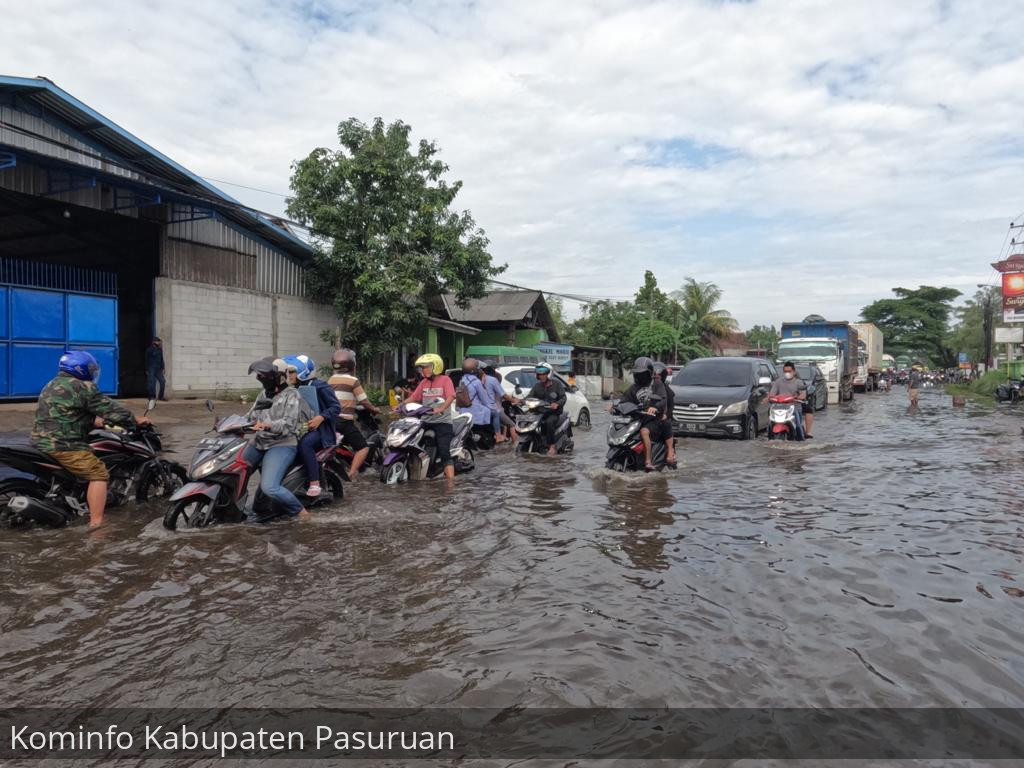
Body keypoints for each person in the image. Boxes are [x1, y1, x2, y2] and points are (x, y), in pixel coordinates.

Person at [31, 350, 148, 528]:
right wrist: (135, 420)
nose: (92, 373)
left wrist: (94, 422)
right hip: (64, 445)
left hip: (40, 441)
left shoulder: (52, 384)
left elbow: (65, 412)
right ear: (80, 368)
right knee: (99, 473)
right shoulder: (82, 386)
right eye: (90, 368)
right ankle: (97, 524)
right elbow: (109, 408)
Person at [245, 357, 315, 519]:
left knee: (269, 486)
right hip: (260, 441)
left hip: (282, 444)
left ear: (278, 376)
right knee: (234, 469)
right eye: (259, 376)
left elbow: (288, 424)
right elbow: (250, 416)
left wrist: (267, 425)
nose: (259, 379)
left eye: (263, 376)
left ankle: (303, 514)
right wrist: (231, 423)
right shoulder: (263, 394)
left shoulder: (292, 395)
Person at [285, 354, 340, 497]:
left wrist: (321, 417)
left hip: (322, 430)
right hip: (301, 428)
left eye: (292, 372)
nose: (288, 375)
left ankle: (314, 482)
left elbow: (335, 407)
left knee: (305, 445)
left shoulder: (320, 386)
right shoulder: (293, 389)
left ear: (303, 372)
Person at [328, 349, 381, 481]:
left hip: (330, 420)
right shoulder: (353, 381)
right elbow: (363, 400)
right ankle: (351, 473)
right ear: (352, 364)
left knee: (346, 444)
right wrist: (374, 409)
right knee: (363, 447)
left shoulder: (331, 379)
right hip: (344, 421)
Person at [406, 353, 457, 480]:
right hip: (425, 421)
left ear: (436, 366)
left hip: (442, 422)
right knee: (410, 443)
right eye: (423, 368)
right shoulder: (423, 382)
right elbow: (413, 397)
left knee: (444, 452)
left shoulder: (446, 380)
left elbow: (451, 396)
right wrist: (399, 406)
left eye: (427, 367)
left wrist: (442, 408)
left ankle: (451, 485)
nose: (424, 370)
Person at [620, 357, 667, 470]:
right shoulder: (634, 388)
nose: (639, 376)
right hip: (638, 419)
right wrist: (615, 406)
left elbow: (663, 399)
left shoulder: (657, 383)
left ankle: (648, 461)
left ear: (649, 373)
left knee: (644, 432)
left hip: (654, 419)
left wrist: (654, 407)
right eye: (637, 374)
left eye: (642, 374)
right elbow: (624, 399)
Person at [525, 362, 567, 455]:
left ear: (549, 374)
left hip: (553, 413)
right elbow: (529, 396)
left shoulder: (557, 384)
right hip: (539, 412)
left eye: (543, 374)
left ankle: (552, 446)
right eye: (539, 374)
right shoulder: (537, 386)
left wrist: (557, 404)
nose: (541, 376)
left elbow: (563, 397)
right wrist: (521, 401)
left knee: (549, 422)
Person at [769, 361, 808, 437]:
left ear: (794, 371)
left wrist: (797, 397)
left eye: (789, 371)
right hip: (779, 409)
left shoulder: (798, 382)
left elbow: (803, 395)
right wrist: (771, 398)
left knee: (798, 426)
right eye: (785, 371)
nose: (787, 373)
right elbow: (772, 394)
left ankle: (801, 440)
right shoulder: (778, 381)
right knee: (770, 424)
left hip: (794, 408)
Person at [458, 358, 494, 437]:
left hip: (463, 410)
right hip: (476, 410)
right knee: (491, 412)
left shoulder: (462, 380)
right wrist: (491, 406)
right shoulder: (476, 382)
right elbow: (484, 399)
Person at [652, 362, 677, 468]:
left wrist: (665, 414)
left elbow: (670, 408)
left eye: (657, 377)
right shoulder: (647, 387)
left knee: (666, 424)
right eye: (653, 377)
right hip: (648, 416)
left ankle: (670, 451)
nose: (655, 379)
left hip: (662, 418)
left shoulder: (668, 392)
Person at [145, 336, 166, 407]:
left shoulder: (160, 350)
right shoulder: (149, 350)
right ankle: (152, 398)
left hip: (158, 369)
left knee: (163, 381)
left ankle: (161, 396)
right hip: (151, 368)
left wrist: (163, 367)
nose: (159, 343)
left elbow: (161, 359)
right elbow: (146, 360)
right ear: (154, 342)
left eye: (159, 341)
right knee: (151, 383)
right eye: (158, 341)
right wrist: (147, 369)